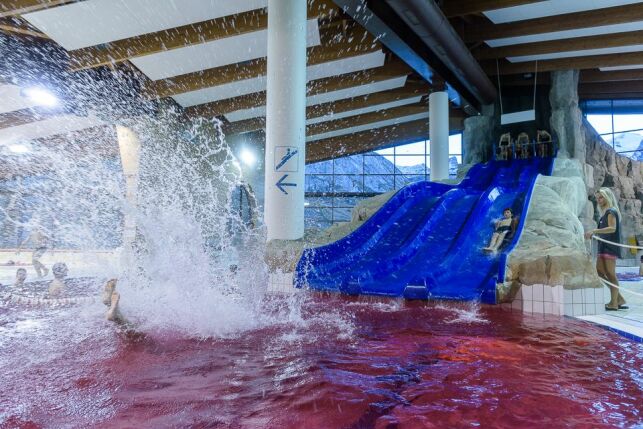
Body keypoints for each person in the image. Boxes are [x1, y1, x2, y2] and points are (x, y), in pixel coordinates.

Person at [584, 187, 627, 311]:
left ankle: (614, 303)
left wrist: (594, 230)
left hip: (610, 248)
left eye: (601, 197)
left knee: (611, 274)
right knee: (600, 272)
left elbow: (612, 228)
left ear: (607, 197)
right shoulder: (605, 213)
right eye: (597, 198)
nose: (599, 200)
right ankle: (619, 298)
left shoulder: (611, 211)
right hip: (603, 248)